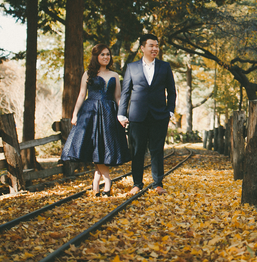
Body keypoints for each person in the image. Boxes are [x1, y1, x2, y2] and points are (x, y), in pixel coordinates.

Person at [62, 44, 130, 197]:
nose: (106, 57)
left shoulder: (114, 75)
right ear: (96, 57)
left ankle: (95, 185)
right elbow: (81, 95)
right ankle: (107, 181)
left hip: (108, 114)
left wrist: (123, 115)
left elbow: (118, 97)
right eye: (102, 54)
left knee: (103, 147)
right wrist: (74, 114)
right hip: (91, 113)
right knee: (95, 147)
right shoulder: (88, 74)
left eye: (108, 54)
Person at [119, 34, 176, 195]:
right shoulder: (132, 67)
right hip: (137, 116)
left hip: (159, 115)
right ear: (142, 48)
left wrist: (169, 111)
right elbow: (125, 93)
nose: (155, 49)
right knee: (137, 151)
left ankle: (158, 183)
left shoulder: (165, 67)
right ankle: (137, 183)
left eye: (157, 46)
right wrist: (122, 114)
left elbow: (172, 91)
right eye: (151, 45)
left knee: (157, 150)